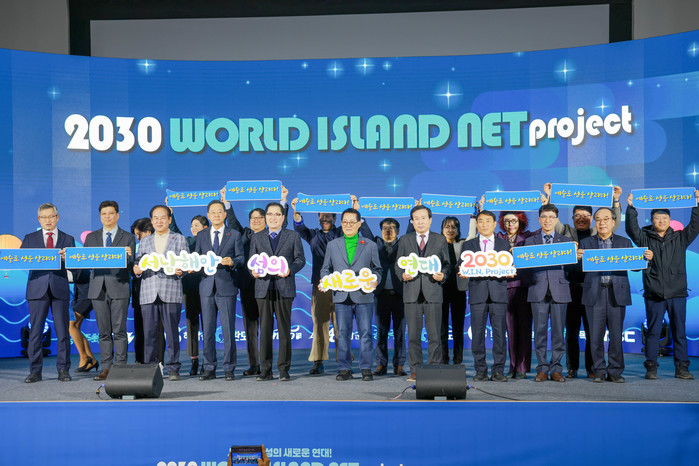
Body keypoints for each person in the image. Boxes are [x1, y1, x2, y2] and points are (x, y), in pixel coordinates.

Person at [544, 183, 623, 379]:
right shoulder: (565, 231)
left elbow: (613, 222)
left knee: (592, 332)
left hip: (593, 289)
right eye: (577, 215)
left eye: (586, 216)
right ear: (572, 218)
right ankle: (572, 367)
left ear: (592, 219)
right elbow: (552, 221)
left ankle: (592, 368)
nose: (582, 218)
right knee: (571, 331)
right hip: (570, 289)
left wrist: (615, 202)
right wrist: (549, 197)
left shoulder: (598, 232)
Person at [625, 190, 699, 380]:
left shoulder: (681, 237)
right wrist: (631, 208)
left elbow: (695, 225)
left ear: (670, 220)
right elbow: (631, 229)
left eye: (664, 218)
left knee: (679, 332)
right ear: (652, 220)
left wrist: (697, 205)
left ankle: (682, 368)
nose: (661, 221)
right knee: (653, 332)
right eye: (657, 218)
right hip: (654, 293)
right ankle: (651, 367)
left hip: (677, 293)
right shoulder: (645, 237)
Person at [577, 207, 653, 383]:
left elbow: (635, 266)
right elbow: (579, 270)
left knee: (616, 335)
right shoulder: (586, 243)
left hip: (616, 293)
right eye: (598, 219)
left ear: (613, 222)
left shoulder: (624, 242)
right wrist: (577, 258)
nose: (602, 223)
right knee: (595, 336)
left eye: (606, 219)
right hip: (594, 293)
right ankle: (598, 370)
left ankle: (615, 371)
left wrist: (646, 259)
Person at [292, 194, 365, 375]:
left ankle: (345, 363)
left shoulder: (341, 233)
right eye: (322, 216)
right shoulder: (312, 235)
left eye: (328, 216)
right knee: (320, 324)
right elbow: (299, 227)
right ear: (318, 218)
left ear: (334, 218)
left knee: (342, 325)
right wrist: (296, 212)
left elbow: (352, 225)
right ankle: (317, 361)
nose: (325, 219)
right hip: (320, 286)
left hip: (342, 285)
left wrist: (354, 209)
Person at [224, 186, 289, 377]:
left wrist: (283, 201)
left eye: (260, 218)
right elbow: (233, 222)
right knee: (250, 328)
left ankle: (276, 366)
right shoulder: (243, 234)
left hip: (270, 286)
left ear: (267, 219)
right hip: (247, 287)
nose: (256, 221)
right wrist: (226, 202)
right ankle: (254, 365)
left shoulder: (275, 234)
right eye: (252, 218)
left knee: (271, 327)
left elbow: (283, 222)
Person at [319, 208, 381, 381]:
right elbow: (325, 268)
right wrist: (325, 280)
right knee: (342, 333)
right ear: (341, 223)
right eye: (345, 222)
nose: (348, 225)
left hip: (363, 295)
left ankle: (366, 368)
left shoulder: (370, 245)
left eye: (352, 222)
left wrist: (375, 280)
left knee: (366, 333)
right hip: (341, 295)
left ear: (359, 224)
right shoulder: (333, 245)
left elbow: (377, 269)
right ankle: (344, 368)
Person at [249, 202, 306, 381]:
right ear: (266, 217)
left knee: (284, 330)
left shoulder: (292, 236)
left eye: (277, 214)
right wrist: (252, 271)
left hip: (284, 287)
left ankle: (283, 369)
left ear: (283, 217)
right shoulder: (257, 237)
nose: (273, 218)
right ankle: (266, 370)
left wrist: (290, 270)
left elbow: (300, 259)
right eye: (270, 214)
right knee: (265, 331)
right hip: (263, 288)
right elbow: (252, 260)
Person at [394, 205, 450, 382]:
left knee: (434, 336)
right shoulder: (405, 239)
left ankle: (433, 369)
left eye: (423, 218)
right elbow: (398, 264)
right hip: (411, 293)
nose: (420, 221)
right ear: (412, 221)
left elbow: (447, 264)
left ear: (430, 220)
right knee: (413, 336)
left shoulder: (440, 239)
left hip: (433, 291)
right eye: (416, 218)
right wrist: (402, 275)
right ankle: (415, 370)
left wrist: (443, 275)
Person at [21, 203, 76, 383]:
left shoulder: (68, 239)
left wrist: (68, 259)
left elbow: (76, 266)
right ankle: (35, 372)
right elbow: (21, 261)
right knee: (35, 333)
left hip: (59, 288)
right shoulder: (30, 238)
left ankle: (63, 369)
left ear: (57, 217)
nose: (48, 220)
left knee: (63, 333)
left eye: (51, 216)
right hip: (37, 289)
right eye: (44, 217)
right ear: (39, 219)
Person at [133, 205, 189, 381]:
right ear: (151, 221)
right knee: (149, 333)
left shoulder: (179, 239)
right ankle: (151, 367)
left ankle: (173, 368)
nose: (159, 221)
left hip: (170, 289)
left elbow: (186, 263)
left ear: (169, 220)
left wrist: (182, 270)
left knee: (172, 333)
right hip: (149, 291)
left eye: (162, 217)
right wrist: (136, 269)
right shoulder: (145, 241)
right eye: (155, 218)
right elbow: (138, 262)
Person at [84, 200, 136, 382]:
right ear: (100, 216)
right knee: (103, 331)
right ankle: (106, 367)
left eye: (111, 213)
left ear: (117, 215)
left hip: (119, 287)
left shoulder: (128, 237)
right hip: (98, 289)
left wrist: (129, 257)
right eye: (104, 214)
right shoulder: (91, 238)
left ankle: (120, 366)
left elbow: (131, 266)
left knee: (120, 330)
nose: (107, 217)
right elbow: (84, 262)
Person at [524, 204, 574, 383]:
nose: (547, 220)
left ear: (556, 220)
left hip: (559, 290)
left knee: (559, 333)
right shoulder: (530, 242)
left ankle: (556, 369)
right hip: (537, 289)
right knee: (539, 333)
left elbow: (571, 268)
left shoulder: (566, 242)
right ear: (539, 219)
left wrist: (576, 256)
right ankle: (542, 368)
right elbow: (525, 268)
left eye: (551, 217)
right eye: (544, 217)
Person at [458, 210, 510, 382]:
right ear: (477, 224)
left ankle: (498, 370)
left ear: (494, 224)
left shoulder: (504, 245)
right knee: (478, 334)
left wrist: (511, 271)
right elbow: (461, 264)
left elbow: (511, 265)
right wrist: (461, 270)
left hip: (498, 294)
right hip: (477, 294)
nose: (484, 224)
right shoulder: (469, 245)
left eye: (488, 221)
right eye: (481, 221)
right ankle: (480, 370)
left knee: (500, 334)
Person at [196, 200, 245, 381]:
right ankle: (209, 367)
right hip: (206, 287)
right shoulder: (201, 235)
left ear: (225, 214)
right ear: (208, 215)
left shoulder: (234, 234)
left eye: (219, 212)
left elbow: (241, 258)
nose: (216, 215)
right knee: (207, 330)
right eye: (213, 212)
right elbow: (197, 258)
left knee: (228, 330)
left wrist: (233, 262)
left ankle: (229, 368)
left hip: (226, 286)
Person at [496, 211, 535, 379]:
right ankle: (512, 366)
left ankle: (522, 367)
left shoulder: (529, 238)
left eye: (514, 221)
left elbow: (548, 228)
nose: (510, 224)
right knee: (510, 330)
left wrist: (545, 203)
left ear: (521, 222)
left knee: (524, 329)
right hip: (504, 288)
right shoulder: (498, 239)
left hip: (524, 288)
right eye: (507, 221)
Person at [367, 218, 407, 376]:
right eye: (384, 228)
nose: (388, 230)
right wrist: (359, 215)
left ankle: (399, 365)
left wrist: (414, 216)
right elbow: (365, 231)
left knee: (400, 332)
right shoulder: (375, 244)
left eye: (392, 227)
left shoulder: (403, 243)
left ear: (398, 230)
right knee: (381, 332)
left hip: (400, 295)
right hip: (381, 295)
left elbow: (411, 230)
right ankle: (381, 364)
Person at [130, 217, 165, 365]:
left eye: (139, 235)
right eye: (136, 235)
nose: (137, 238)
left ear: (149, 232)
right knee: (139, 329)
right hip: (139, 293)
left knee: (157, 330)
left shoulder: (162, 245)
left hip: (158, 293)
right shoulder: (135, 248)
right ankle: (140, 360)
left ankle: (158, 362)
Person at [439, 216, 470, 365]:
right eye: (447, 227)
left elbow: (472, 235)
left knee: (458, 327)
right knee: (442, 328)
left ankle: (458, 360)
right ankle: (443, 359)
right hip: (441, 290)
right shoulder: (437, 245)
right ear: (442, 229)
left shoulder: (462, 244)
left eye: (453, 227)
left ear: (458, 230)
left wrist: (473, 217)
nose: (450, 230)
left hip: (459, 290)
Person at [69, 269, 98, 373]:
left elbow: (81, 273)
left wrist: (66, 263)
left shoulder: (81, 260)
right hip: (79, 292)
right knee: (75, 326)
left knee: (71, 324)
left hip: (87, 293)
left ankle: (84, 357)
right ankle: (91, 359)